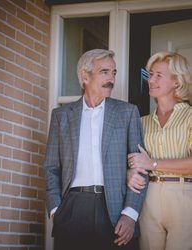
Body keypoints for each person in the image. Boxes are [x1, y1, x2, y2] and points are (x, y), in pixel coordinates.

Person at [43, 49, 148, 250]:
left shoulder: (127, 112)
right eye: (104, 72)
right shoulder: (61, 116)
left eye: (114, 73)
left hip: (114, 209)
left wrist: (130, 214)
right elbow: (51, 168)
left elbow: (140, 168)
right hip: (72, 208)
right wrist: (56, 210)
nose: (111, 79)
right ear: (85, 76)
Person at [127, 51, 192, 250]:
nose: (150, 80)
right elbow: (132, 160)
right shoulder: (141, 122)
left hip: (184, 196)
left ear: (176, 81)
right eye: (150, 74)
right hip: (148, 197)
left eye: (158, 75)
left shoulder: (190, 117)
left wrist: (153, 163)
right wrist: (130, 173)